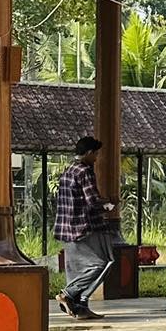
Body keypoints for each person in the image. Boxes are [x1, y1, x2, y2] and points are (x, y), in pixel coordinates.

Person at [55, 135, 118, 320]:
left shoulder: (68, 171)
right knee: (102, 263)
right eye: (96, 153)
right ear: (89, 153)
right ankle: (68, 293)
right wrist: (111, 202)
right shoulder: (84, 171)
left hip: (66, 228)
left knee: (76, 269)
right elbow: (93, 202)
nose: (97, 157)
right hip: (84, 227)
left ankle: (80, 308)